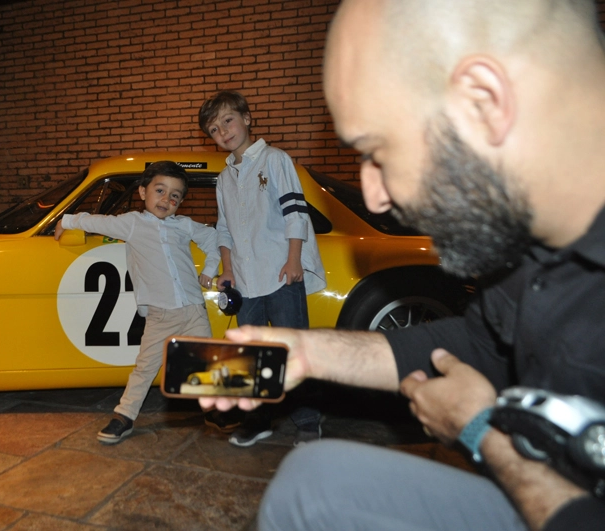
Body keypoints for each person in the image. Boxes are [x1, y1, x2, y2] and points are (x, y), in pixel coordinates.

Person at [201, 0, 605, 529]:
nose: (375, 195)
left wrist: (480, 431)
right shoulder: (529, 255)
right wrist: (306, 350)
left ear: (485, 100)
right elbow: (478, 345)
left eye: (378, 151)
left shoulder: (274, 163)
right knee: (309, 480)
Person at [55, 160, 220, 444]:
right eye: (160, 190)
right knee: (145, 367)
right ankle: (124, 416)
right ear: (143, 192)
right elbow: (97, 221)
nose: (166, 199)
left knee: (205, 362)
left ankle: (216, 411)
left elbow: (214, 239)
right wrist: (67, 220)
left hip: (193, 309)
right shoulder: (132, 223)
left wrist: (209, 269)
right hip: (159, 315)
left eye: (175, 196)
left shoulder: (184, 226)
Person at [198, 91, 327, 447]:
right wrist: (227, 269)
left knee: (292, 347)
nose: (223, 131)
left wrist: (294, 258)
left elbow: (295, 212)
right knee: (250, 354)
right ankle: (258, 420)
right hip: (245, 278)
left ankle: (307, 421)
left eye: (228, 120)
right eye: (214, 128)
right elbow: (224, 228)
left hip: (281, 271)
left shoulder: (274, 159)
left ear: (247, 118)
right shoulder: (224, 179)